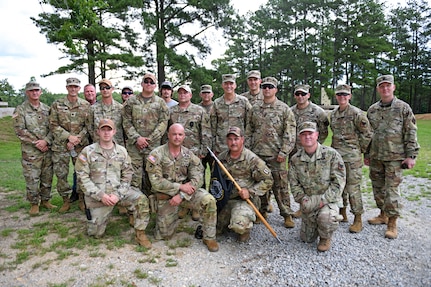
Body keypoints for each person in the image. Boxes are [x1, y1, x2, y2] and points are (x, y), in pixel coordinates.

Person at [75, 119, 151, 248]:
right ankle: (100, 218)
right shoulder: (87, 152)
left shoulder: (122, 151)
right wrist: (101, 196)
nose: (106, 133)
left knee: (141, 199)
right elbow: (82, 177)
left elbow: (127, 175)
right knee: (95, 234)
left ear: (114, 131)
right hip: (98, 197)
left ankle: (140, 233)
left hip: (118, 193)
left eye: (109, 130)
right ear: (98, 132)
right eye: (103, 130)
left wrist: (118, 194)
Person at [146, 123, 219, 252]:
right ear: (168, 135)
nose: (177, 137)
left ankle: (209, 237)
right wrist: (180, 187)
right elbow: (156, 182)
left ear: (184, 136)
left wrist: (182, 195)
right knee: (164, 236)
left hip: (186, 195)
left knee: (209, 200)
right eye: (174, 134)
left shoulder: (188, 154)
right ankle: (170, 217)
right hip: (167, 197)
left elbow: (199, 177)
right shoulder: (156, 154)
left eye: (180, 134)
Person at [364, 75, 420, 239]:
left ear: (393, 87)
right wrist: (366, 154)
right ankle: (383, 214)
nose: (385, 89)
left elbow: (410, 132)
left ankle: (392, 223)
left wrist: (411, 155)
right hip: (376, 157)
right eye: (382, 86)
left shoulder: (403, 108)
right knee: (378, 189)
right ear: (378, 89)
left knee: (392, 191)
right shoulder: (372, 110)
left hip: (395, 157)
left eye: (388, 86)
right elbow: (368, 135)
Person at [245, 77, 297, 228]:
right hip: (258, 154)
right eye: (265, 86)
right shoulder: (255, 109)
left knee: (280, 186)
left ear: (276, 90)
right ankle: (262, 212)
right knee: (260, 185)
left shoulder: (284, 109)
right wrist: (249, 152)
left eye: (270, 87)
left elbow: (290, 133)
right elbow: (249, 131)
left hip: (276, 155)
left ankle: (286, 214)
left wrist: (284, 152)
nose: (267, 89)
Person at [289, 121, 346, 252]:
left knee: (326, 219)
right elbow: (294, 184)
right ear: (300, 137)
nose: (307, 137)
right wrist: (302, 199)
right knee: (306, 239)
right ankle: (314, 223)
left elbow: (339, 182)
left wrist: (322, 201)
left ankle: (326, 237)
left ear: (317, 135)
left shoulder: (331, 155)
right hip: (308, 202)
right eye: (304, 134)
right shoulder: (295, 159)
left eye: (310, 133)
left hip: (327, 201)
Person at [216, 126, 273, 242]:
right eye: (230, 139)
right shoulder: (221, 158)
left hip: (245, 201)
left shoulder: (252, 159)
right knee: (215, 229)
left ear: (242, 139)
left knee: (239, 226)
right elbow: (216, 182)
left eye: (236, 139)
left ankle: (245, 228)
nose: (233, 142)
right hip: (227, 200)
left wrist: (250, 191)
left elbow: (268, 180)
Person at [329, 84, 373, 233]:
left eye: (345, 95)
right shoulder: (334, 114)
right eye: (339, 94)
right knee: (338, 185)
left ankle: (358, 218)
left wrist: (358, 149)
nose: (342, 97)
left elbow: (367, 134)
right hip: (337, 156)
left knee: (353, 188)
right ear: (336, 96)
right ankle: (342, 211)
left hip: (352, 157)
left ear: (350, 96)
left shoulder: (357, 113)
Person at [122, 73, 169, 196]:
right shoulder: (131, 102)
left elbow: (163, 122)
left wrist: (150, 139)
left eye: (151, 82)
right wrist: (137, 138)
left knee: (153, 174)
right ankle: (134, 203)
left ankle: (152, 202)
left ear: (155, 86)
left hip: (153, 146)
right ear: (142, 84)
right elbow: (126, 121)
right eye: (146, 81)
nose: (148, 84)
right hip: (134, 146)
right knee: (134, 176)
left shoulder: (160, 103)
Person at [13, 81, 56, 215]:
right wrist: (37, 142)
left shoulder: (47, 109)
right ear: (27, 92)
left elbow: (53, 127)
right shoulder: (20, 110)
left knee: (47, 177)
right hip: (31, 152)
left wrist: (46, 141)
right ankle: (34, 203)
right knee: (32, 178)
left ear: (40, 92)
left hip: (46, 149)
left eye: (37, 90)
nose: (35, 92)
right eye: (32, 91)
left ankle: (45, 200)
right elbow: (19, 130)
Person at [50, 77, 90, 212]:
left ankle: (81, 199)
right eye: (70, 86)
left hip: (80, 145)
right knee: (61, 173)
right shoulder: (57, 104)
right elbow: (53, 125)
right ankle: (65, 200)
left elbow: (88, 126)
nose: (73, 89)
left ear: (79, 89)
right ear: (67, 87)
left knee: (81, 172)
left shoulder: (85, 105)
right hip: (61, 145)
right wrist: (69, 138)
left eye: (76, 87)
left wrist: (78, 138)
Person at [290, 83, 329, 218]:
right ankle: (303, 207)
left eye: (303, 94)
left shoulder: (318, 112)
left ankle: (317, 206)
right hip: (295, 153)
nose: (300, 97)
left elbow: (323, 132)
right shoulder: (291, 111)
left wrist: (314, 146)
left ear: (308, 95)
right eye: (297, 94)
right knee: (299, 182)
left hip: (312, 153)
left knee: (313, 181)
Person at [210, 74, 252, 155]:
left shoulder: (244, 102)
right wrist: (214, 146)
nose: (228, 86)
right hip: (221, 147)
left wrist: (247, 143)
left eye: (231, 83)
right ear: (222, 85)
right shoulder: (217, 103)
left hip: (239, 145)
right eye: (226, 84)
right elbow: (213, 127)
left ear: (235, 85)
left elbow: (250, 124)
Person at [87, 79, 124, 146]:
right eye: (102, 88)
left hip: (117, 147)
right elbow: (90, 128)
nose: (105, 90)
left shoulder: (120, 108)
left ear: (112, 89)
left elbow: (124, 128)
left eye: (107, 88)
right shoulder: (93, 109)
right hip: (98, 148)